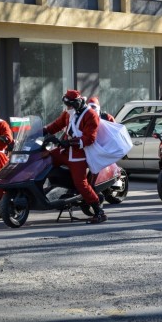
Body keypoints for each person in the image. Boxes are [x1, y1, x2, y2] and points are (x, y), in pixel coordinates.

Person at [43, 90, 107, 224]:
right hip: (63, 151)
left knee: (81, 184)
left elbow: (90, 138)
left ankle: (99, 211)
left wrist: (70, 142)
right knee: (43, 159)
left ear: (77, 103)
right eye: (66, 105)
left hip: (79, 155)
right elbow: (57, 125)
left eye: (70, 105)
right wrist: (42, 130)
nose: (67, 108)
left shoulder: (90, 115)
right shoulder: (68, 113)